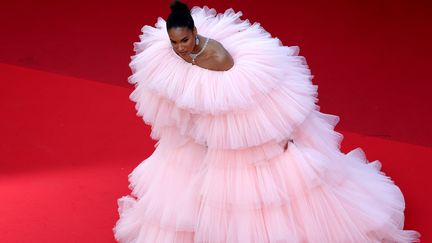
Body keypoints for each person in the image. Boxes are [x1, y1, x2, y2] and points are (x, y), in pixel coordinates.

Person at [113, 1, 421, 242]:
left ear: (195, 33)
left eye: (184, 40)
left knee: (242, 192)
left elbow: (249, 102)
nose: (179, 48)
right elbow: (175, 94)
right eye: (174, 42)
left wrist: (276, 136)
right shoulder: (168, 54)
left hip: (231, 128)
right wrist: (186, 126)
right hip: (202, 130)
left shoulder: (220, 59)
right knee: (185, 174)